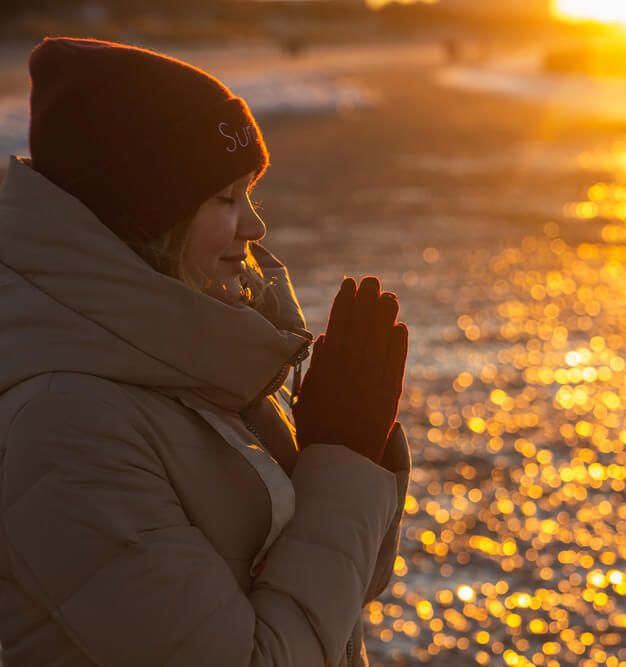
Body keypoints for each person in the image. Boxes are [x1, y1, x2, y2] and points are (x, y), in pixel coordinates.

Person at [0, 37, 410, 666]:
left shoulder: (205, 353)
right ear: (141, 216)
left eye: (250, 192)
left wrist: (353, 449)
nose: (255, 227)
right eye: (224, 198)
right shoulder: (67, 428)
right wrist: (341, 462)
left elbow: (343, 593)